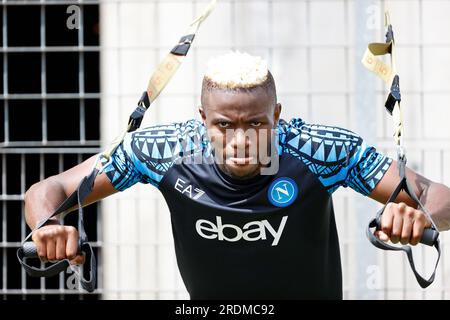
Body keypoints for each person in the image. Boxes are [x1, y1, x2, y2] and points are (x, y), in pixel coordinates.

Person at [24, 52, 450, 299]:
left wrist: (418, 218)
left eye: (257, 124)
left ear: (277, 116)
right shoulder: (164, 151)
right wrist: (48, 225)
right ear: (202, 119)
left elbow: (436, 197)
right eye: (224, 125)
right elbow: (50, 189)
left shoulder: (320, 150)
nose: (241, 139)